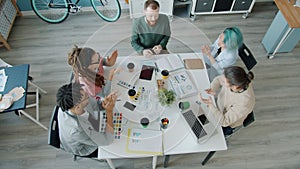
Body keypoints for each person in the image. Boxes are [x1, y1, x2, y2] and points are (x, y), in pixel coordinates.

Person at [56, 82, 117, 157]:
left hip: (88, 126)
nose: (88, 95)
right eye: (86, 96)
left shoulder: (70, 103)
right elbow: (107, 140)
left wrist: (104, 102)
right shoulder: (77, 131)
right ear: (78, 107)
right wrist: (109, 112)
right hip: (84, 147)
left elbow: (94, 104)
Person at [199, 66, 255, 136]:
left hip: (225, 123)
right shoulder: (234, 78)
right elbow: (218, 79)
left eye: (225, 82)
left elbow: (224, 122)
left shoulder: (244, 103)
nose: (223, 81)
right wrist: (212, 88)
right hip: (218, 108)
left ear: (235, 87)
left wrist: (211, 106)